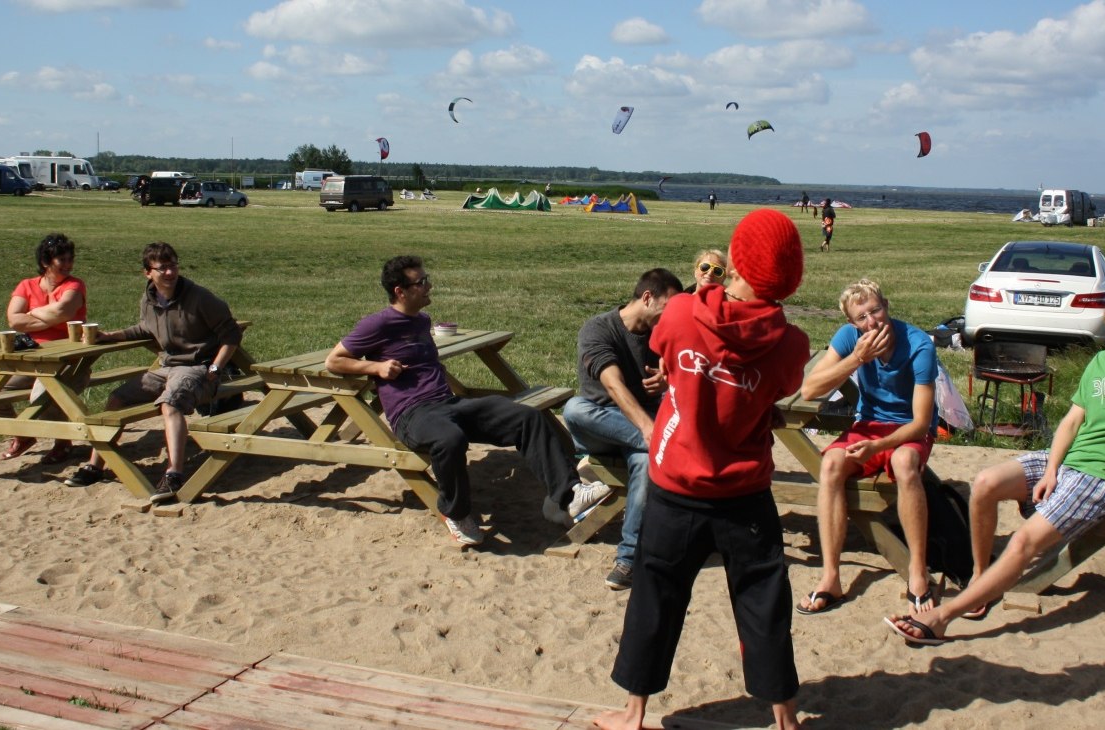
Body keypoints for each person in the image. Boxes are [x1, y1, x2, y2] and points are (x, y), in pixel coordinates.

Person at [594, 209, 809, 730]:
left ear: (735, 258)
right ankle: (784, 719)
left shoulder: (685, 312)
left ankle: (634, 714)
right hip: (746, 490)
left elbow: (668, 353)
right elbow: (775, 390)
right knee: (764, 600)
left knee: (655, 595)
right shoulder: (791, 344)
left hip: (676, 484)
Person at [887, 290, 1105, 645]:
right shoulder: (1103, 362)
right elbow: (1071, 421)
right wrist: (1051, 471)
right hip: (1063, 460)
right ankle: (981, 581)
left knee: (1023, 541)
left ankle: (941, 618)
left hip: (1102, 478)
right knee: (984, 483)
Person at [324, 255, 612, 546]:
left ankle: (569, 495)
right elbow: (333, 361)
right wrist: (375, 368)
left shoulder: (422, 320)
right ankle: (457, 513)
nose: (429, 285)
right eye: (421, 282)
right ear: (400, 291)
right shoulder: (377, 323)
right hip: (412, 414)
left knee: (527, 417)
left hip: (447, 403)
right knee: (449, 438)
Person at [797, 278, 938, 616]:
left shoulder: (918, 344)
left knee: (905, 464)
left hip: (906, 430)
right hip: (869, 424)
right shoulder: (850, 339)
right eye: (862, 318)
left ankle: (917, 571)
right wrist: (856, 360)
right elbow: (809, 389)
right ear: (852, 323)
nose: (872, 321)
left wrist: (878, 447)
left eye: (875, 310)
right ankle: (831, 577)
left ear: (886, 306)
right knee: (829, 464)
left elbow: (921, 422)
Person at [61, 242, 242, 502]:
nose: (170, 273)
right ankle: (95, 466)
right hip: (167, 366)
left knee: (171, 403)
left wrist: (216, 367)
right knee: (117, 399)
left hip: (197, 366)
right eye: (163, 268)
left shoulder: (200, 297)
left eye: (173, 266)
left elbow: (231, 333)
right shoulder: (149, 298)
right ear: (148, 272)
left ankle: (174, 474)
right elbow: (146, 329)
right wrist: (110, 337)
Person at [563, 269, 683, 590]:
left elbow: (684, 380)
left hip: (642, 436)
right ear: (647, 298)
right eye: (669, 306)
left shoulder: (665, 334)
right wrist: (653, 432)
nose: (673, 315)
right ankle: (662, 446)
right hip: (602, 425)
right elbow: (613, 386)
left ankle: (628, 559)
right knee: (575, 409)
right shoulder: (599, 329)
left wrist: (667, 380)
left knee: (646, 462)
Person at [0, 233, 89, 464]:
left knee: (42, 396)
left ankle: (63, 442)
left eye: (70, 259)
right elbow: (13, 320)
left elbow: (63, 312)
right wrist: (51, 317)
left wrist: (31, 314)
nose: (68, 265)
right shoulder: (26, 285)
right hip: (32, 359)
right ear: (46, 262)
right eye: (62, 260)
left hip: (69, 361)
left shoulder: (75, 285)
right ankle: (23, 436)